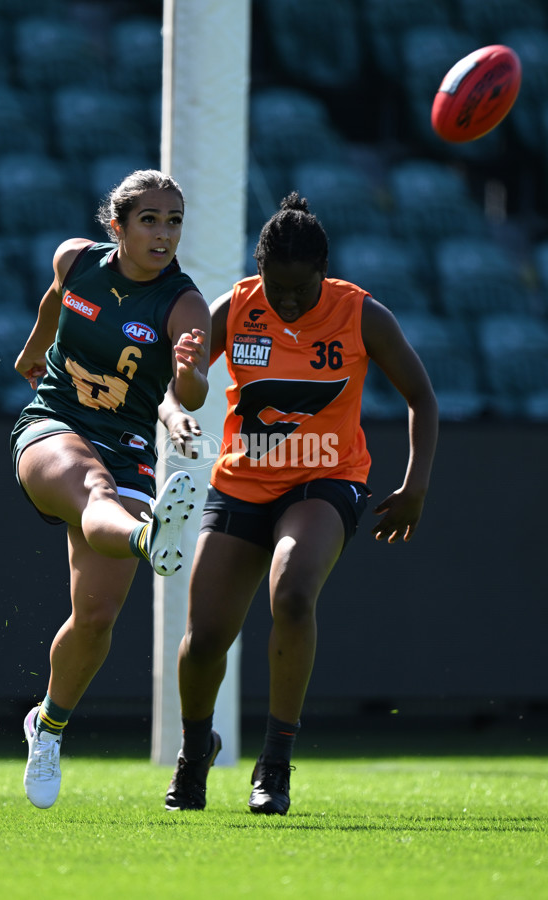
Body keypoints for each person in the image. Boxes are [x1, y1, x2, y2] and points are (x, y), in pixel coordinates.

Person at [161, 192, 438, 815]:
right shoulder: (236, 305)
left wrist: (416, 485)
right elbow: (179, 386)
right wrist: (178, 410)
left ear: (324, 271)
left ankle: (275, 764)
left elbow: (421, 397)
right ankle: (193, 751)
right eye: (274, 286)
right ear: (258, 269)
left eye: (299, 289)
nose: (285, 300)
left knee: (291, 593)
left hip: (327, 481)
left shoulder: (362, 314)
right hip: (239, 484)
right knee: (204, 639)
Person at [10, 169, 211, 809]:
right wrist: (35, 349)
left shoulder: (184, 304)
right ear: (117, 226)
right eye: (150, 219)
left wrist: (186, 384)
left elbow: (192, 393)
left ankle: (47, 726)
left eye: (174, 220)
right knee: (94, 486)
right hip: (54, 426)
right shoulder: (77, 261)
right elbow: (54, 302)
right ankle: (150, 537)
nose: (163, 233)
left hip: (129, 449)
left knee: (95, 620)